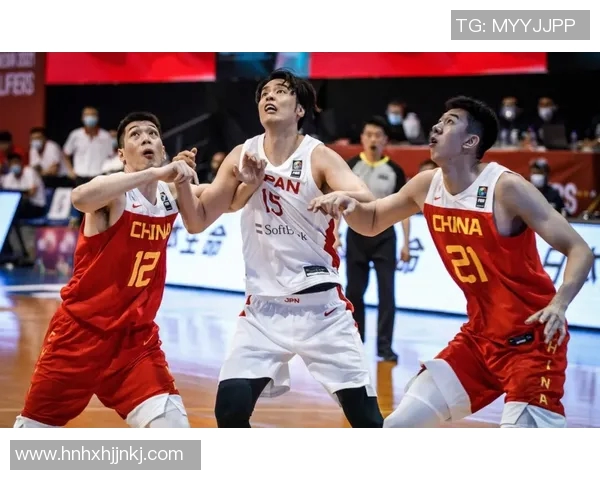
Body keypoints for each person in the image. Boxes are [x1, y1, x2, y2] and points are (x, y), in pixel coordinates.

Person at [309, 96, 594, 428]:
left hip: (532, 342)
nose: (436, 126)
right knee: (395, 428)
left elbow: (580, 250)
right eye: (439, 120)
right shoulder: (426, 185)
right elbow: (371, 221)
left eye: (449, 122)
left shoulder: (506, 188)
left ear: (470, 142)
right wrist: (349, 206)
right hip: (478, 340)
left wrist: (559, 304)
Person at [14, 111, 264, 428]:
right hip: (81, 335)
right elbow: (80, 197)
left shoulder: (170, 195)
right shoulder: (115, 194)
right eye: (135, 134)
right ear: (121, 155)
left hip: (135, 340)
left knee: (174, 433)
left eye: (152, 134)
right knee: (31, 438)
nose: (146, 138)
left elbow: (225, 203)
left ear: (162, 149)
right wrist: (156, 173)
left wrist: (248, 183)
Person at [204, 69, 383, 428]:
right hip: (263, 309)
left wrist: (341, 196)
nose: (269, 97)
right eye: (264, 93)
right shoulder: (243, 154)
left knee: (367, 420)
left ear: (300, 109)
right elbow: (211, 206)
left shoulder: (318, 156)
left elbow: (364, 194)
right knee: (229, 411)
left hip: (320, 310)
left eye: (281, 91)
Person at [340, 116, 410, 361]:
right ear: (362, 138)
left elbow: (405, 208)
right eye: (368, 134)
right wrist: (335, 234)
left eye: (378, 135)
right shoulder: (350, 166)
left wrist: (406, 242)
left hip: (385, 237)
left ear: (385, 140)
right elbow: (339, 201)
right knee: (354, 291)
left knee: (387, 294)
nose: (373, 139)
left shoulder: (394, 171)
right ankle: (355, 343)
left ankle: (384, 347)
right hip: (356, 235)